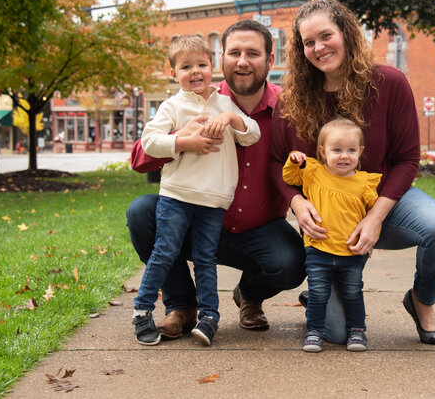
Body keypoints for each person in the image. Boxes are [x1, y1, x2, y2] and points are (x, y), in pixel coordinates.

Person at [270, 0, 435, 345]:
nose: (319, 47)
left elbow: (407, 159)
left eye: (326, 35)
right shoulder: (292, 97)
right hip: (329, 223)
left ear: (346, 31)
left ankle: (421, 301)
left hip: (381, 201)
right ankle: (320, 291)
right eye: (308, 42)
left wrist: (375, 218)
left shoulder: (388, 82)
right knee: (339, 334)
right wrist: (297, 205)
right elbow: (275, 159)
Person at [127, 19, 306, 341]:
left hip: (257, 229)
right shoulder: (188, 101)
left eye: (252, 53)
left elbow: (309, 166)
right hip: (191, 215)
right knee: (142, 213)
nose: (242, 61)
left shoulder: (288, 108)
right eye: (234, 52)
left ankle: (249, 295)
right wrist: (181, 139)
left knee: (291, 262)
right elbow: (139, 159)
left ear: (270, 59)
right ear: (221, 58)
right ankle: (182, 306)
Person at [132, 35, 261, 347]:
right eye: (186, 66)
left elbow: (252, 135)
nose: (195, 71)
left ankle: (209, 316)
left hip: (213, 199)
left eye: (201, 64)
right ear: (173, 74)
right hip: (177, 195)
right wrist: (182, 141)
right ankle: (141, 311)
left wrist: (231, 118)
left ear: (212, 67)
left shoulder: (224, 104)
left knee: (206, 257)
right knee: (164, 251)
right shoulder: (172, 106)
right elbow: (149, 142)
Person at [283, 117, 381, 353]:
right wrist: (294, 160)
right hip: (318, 249)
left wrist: (371, 240)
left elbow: (373, 214)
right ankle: (314, 331)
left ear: (360, 152)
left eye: (351, 150)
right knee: (318, 292)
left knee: (353, 291)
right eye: (336, 150)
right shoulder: (314, 172)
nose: (344, 156)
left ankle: (357, 330)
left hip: (351, 251)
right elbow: (289, 178)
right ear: (322, 152)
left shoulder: (364, 182)